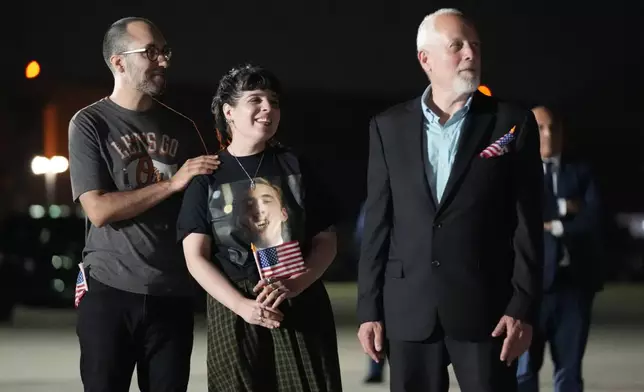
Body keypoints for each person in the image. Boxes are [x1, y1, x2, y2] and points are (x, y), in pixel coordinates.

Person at [356, 8, 544, 392]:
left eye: (474, 45)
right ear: (425, 59)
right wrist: (369, 310)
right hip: (408, 311)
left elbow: (527, 222)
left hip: (487, 310)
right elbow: (378, 224)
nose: (471, 54)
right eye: (457, 46)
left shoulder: (511, 121)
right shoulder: (387, 127)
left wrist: (522, 307)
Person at [68, 17, 220, 392]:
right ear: (119, 61)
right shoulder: (90, 123)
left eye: (165, 51)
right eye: (151, 52)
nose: (164, 61)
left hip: (173, 294)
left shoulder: (183, 128)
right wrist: (173, 183)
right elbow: (99, 210)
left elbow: (208, 207)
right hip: (109, 293)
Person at [177, 63, 343, 392]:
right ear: (229, 112)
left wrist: (295, 284)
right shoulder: (208, 176)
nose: (268, 108)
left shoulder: (296, 166)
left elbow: (326, 241)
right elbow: (195, 257)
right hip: (235, 306)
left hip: (298, 301)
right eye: (255, 99)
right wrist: (241, 306)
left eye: (274, 101)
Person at [516, 106, 603, 392]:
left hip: (573, 287)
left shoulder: (582, 170)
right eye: (540, 128)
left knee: (569, 371)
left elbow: (594, 219)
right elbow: (518, 217)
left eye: (553, 127)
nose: (548, 133)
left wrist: (551, 225)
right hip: (529, 289)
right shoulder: (516, 173)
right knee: (524, 372)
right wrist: (566, 207)